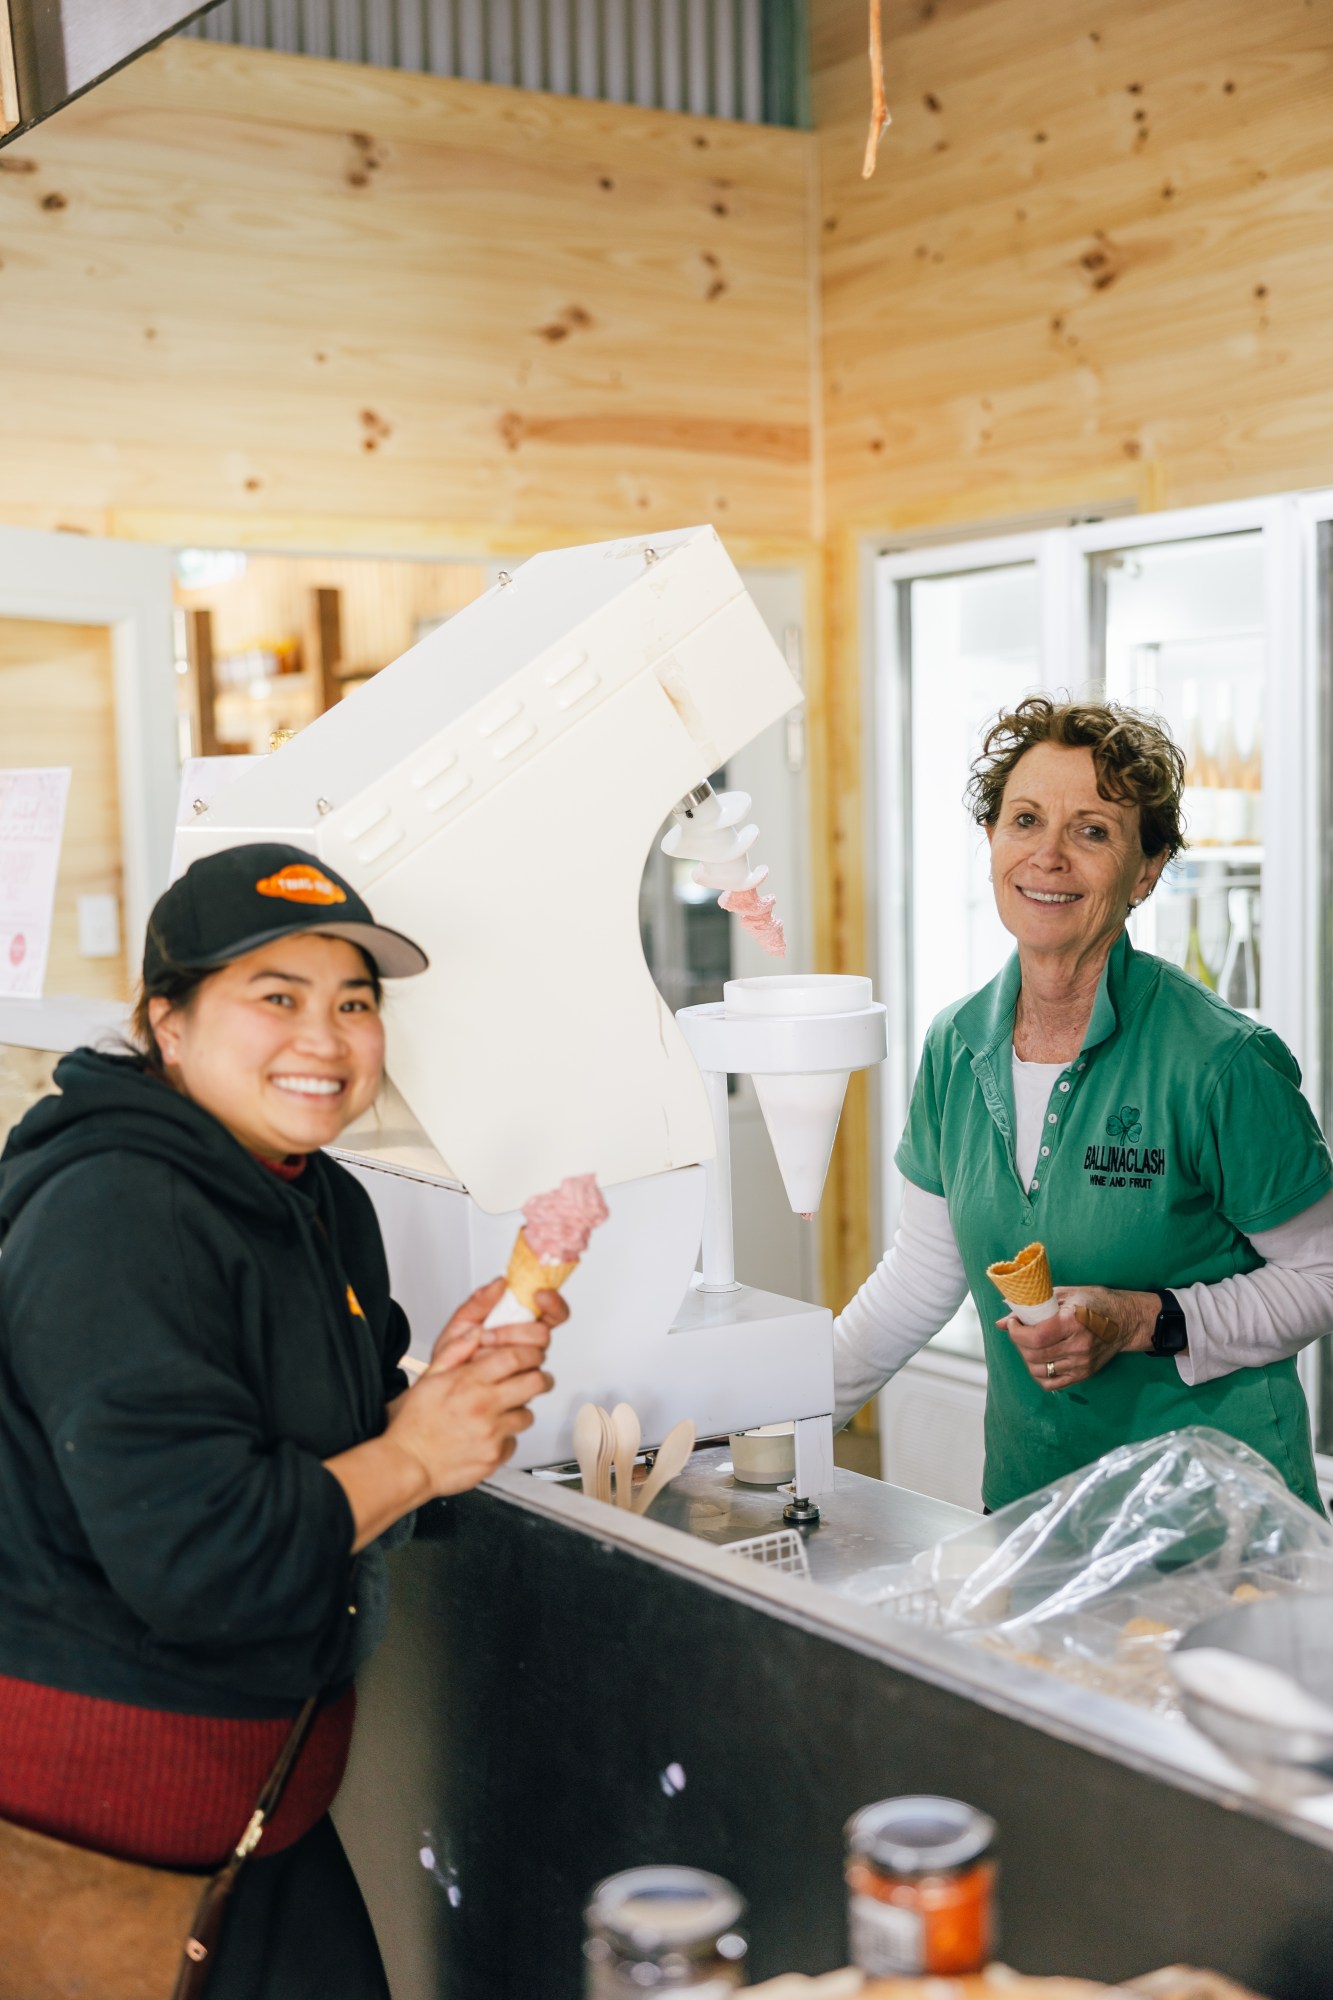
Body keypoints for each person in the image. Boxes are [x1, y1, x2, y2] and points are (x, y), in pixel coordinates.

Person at [0, 843, 565, 1998]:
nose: (327, 1037)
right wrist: (412, 1453)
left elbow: (329, 1463)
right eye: (276, 996)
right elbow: (203, 1556)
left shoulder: (315, 1195)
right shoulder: (116, 1209)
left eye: (354, 1002)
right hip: (97, 1845)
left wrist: (436, 1395)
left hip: (257, 1821)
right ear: (168, 1021)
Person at [835, 696, 1333, 1514]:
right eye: (1024, 819)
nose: (1048, 857)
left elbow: (1319, 1274)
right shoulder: (955, 1045)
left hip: (1216, 1524)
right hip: (1038, 1506)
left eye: (1092, 830)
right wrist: (776, 1405)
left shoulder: (1218, 1063)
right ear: (990, 840)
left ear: (1146, 869)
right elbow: (923, 1275)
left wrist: (1142, 1319)